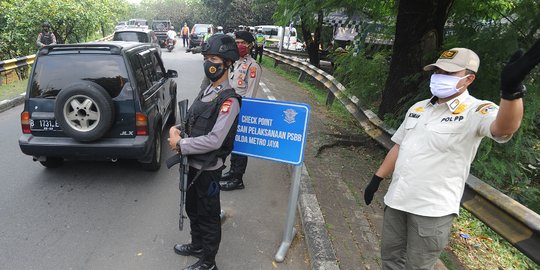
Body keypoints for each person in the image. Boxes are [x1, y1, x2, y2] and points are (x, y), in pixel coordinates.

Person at [363, 43, 540, 270]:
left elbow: (503, 128)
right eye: (438, 71)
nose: (439, 77)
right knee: (390, 261)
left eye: (448, 73)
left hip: (431, 212)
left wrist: (512, 92)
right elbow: (399, 146)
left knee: (417, 267)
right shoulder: (419, 108)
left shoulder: (476, 110)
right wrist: (376, 179)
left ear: (468, 79)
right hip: (397, 201)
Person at [169, 34, 241, 270]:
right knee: (192, 209)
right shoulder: (207, 90)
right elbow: (192, 122)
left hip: (208, 169)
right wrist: (175, 130)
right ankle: (197, 244)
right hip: (191, 164)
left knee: (209, 216)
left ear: (228, 63)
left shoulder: (229, 100)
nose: (209, 63)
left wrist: (181, 144)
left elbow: (214, 139)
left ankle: (209, 262)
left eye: (214, 59)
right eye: (207, 58)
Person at [219, 30, 262, 191]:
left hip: (241, 109)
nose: (239, 45)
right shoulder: (234, 62)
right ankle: (232, 171)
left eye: (243, 43)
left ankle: (238, 179)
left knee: (240, 144)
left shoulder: (253, 67)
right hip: (229, 108)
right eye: (237, 42)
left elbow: (250, 94)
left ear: (250, 45)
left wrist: (244, 114)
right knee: (231, 143)